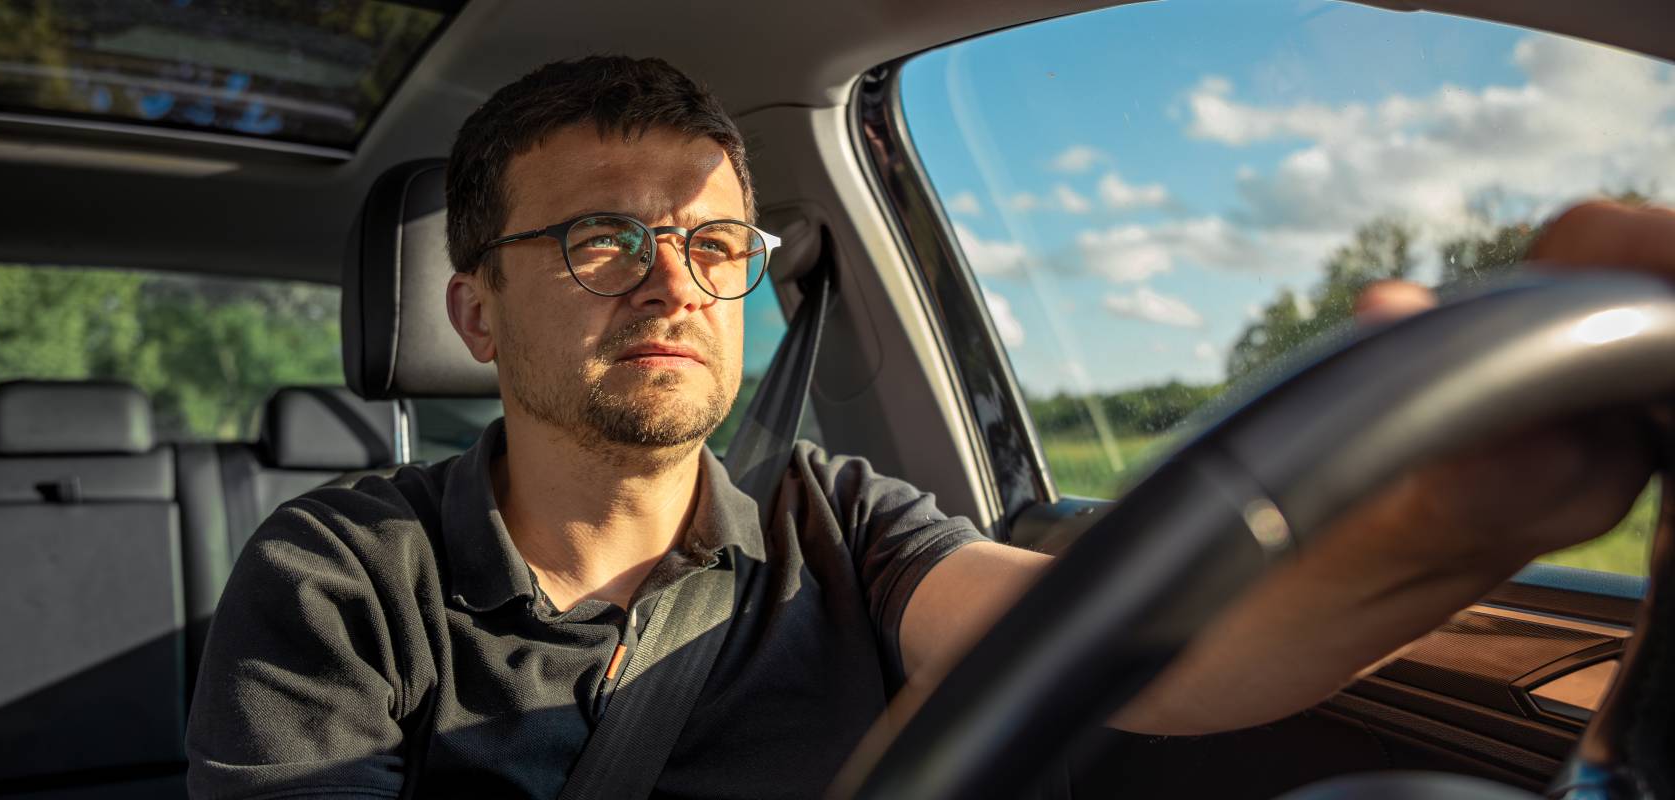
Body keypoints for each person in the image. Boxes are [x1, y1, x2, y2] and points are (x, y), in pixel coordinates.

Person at [186, 56, 1675, 798]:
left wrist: (1456, 518)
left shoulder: (837, 516)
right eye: (596, 242)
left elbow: (1149, 652)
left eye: (714, 247)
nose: (672, 285)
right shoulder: (337, 574)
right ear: (476, 314)